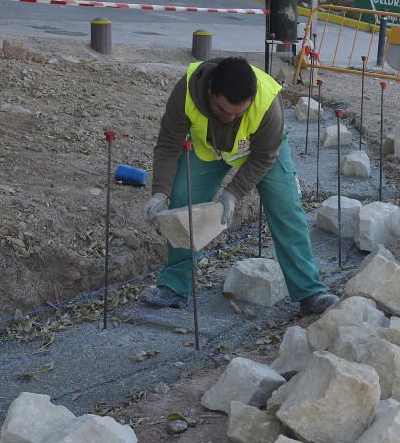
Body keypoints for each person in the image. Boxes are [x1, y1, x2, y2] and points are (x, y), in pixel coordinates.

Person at [140, 56, 339, 315]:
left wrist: (233, 194)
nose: (230, 118)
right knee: (182, 202)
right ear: (210, 91)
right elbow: (168, 144)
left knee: (286, 208)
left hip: (261, 151)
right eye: (223, 111)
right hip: (209, 151)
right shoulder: (187, 91)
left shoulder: (268, 104)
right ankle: (174, 288)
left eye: (238, 113)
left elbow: (264, 157)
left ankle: (310, 292)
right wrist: (159, 192)